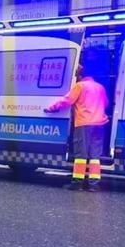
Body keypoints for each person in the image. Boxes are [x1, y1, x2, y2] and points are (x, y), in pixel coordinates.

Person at [45, 64, 109, 192]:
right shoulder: (100, 87)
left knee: (81, 155)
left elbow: (67, 100)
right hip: (100, 124)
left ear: (81, 75)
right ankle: (94, 184)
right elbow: (106, 103)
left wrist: (51, 108)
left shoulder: (80, 86)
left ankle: (77, 183)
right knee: (95, 157)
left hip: (84, 123)